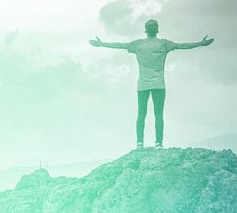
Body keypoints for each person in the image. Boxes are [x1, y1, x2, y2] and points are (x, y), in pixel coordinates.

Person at [89, 19, 214, 149]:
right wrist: (201, 43)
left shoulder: (138, 44)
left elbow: (120, 45)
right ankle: (158, 143)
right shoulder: (164, 44)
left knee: (141, 114)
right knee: (158, 114)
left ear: (145, 30)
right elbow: (182, 46)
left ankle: (139, 143)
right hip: (159, 84)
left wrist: (101, 44)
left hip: (143, 85)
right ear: (157, 30)